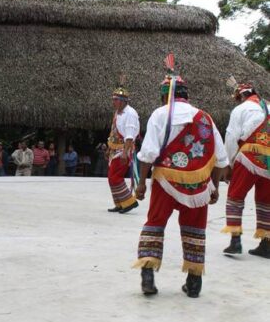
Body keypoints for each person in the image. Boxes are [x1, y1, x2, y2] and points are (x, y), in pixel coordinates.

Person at [133, 53, 228, 298]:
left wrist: (141, 183)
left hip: (166, 180)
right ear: (187, 96)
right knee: (195, 229)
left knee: (155, 223)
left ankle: (147, 274)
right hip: (199, 185)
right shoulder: (205, 118)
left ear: (166, 95)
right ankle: (194, 282)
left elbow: (148, 153)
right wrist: (215, 186)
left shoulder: (160, 114)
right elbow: (221, 158)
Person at [221, 77, 270, 258]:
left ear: (240, 97)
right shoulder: (268, 107)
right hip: (269, 161)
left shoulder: (241, 109)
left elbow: (231, 138)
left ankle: (235, 240)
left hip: (249, 156)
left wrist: (229, 164)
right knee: (266, 201)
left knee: (235, 196)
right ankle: (267, 243)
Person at [106, 85, 140, 214]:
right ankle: (119, 203)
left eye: (116, 99)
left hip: (123, 150)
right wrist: (109, 148)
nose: (113, 102)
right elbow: (114, 131)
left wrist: (125, 153)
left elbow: (130, 136)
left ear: (123, 101)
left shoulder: (130, 114)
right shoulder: (117, 112)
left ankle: (129, 202)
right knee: (111, 177)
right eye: (113, 99)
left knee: (115, 177)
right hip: (115, 150)